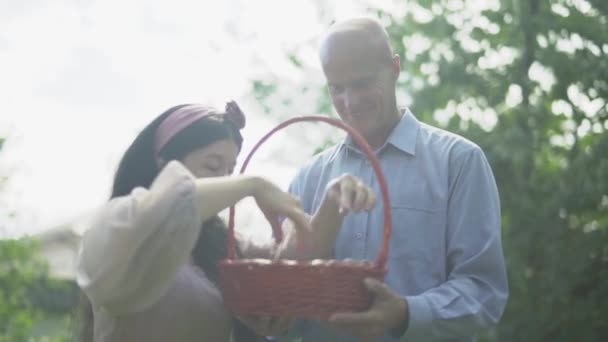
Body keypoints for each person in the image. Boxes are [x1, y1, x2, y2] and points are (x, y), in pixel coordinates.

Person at [278, 18, 509, 341]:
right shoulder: (308, 178)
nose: (350, 101)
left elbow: (484, 292)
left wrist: (405, 312)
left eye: (362, 83)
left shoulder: (459, 162)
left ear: (395, 68)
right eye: (337, 88)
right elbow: (285, 301)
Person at [74, 101, 377, 342]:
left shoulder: (219, 243)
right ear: (164, 163)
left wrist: (334, 200)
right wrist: (253, 184)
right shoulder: (117, 226)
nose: (224, 181)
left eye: (229, 170)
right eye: (212, 165)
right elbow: (166, 206)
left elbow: (294, 261)